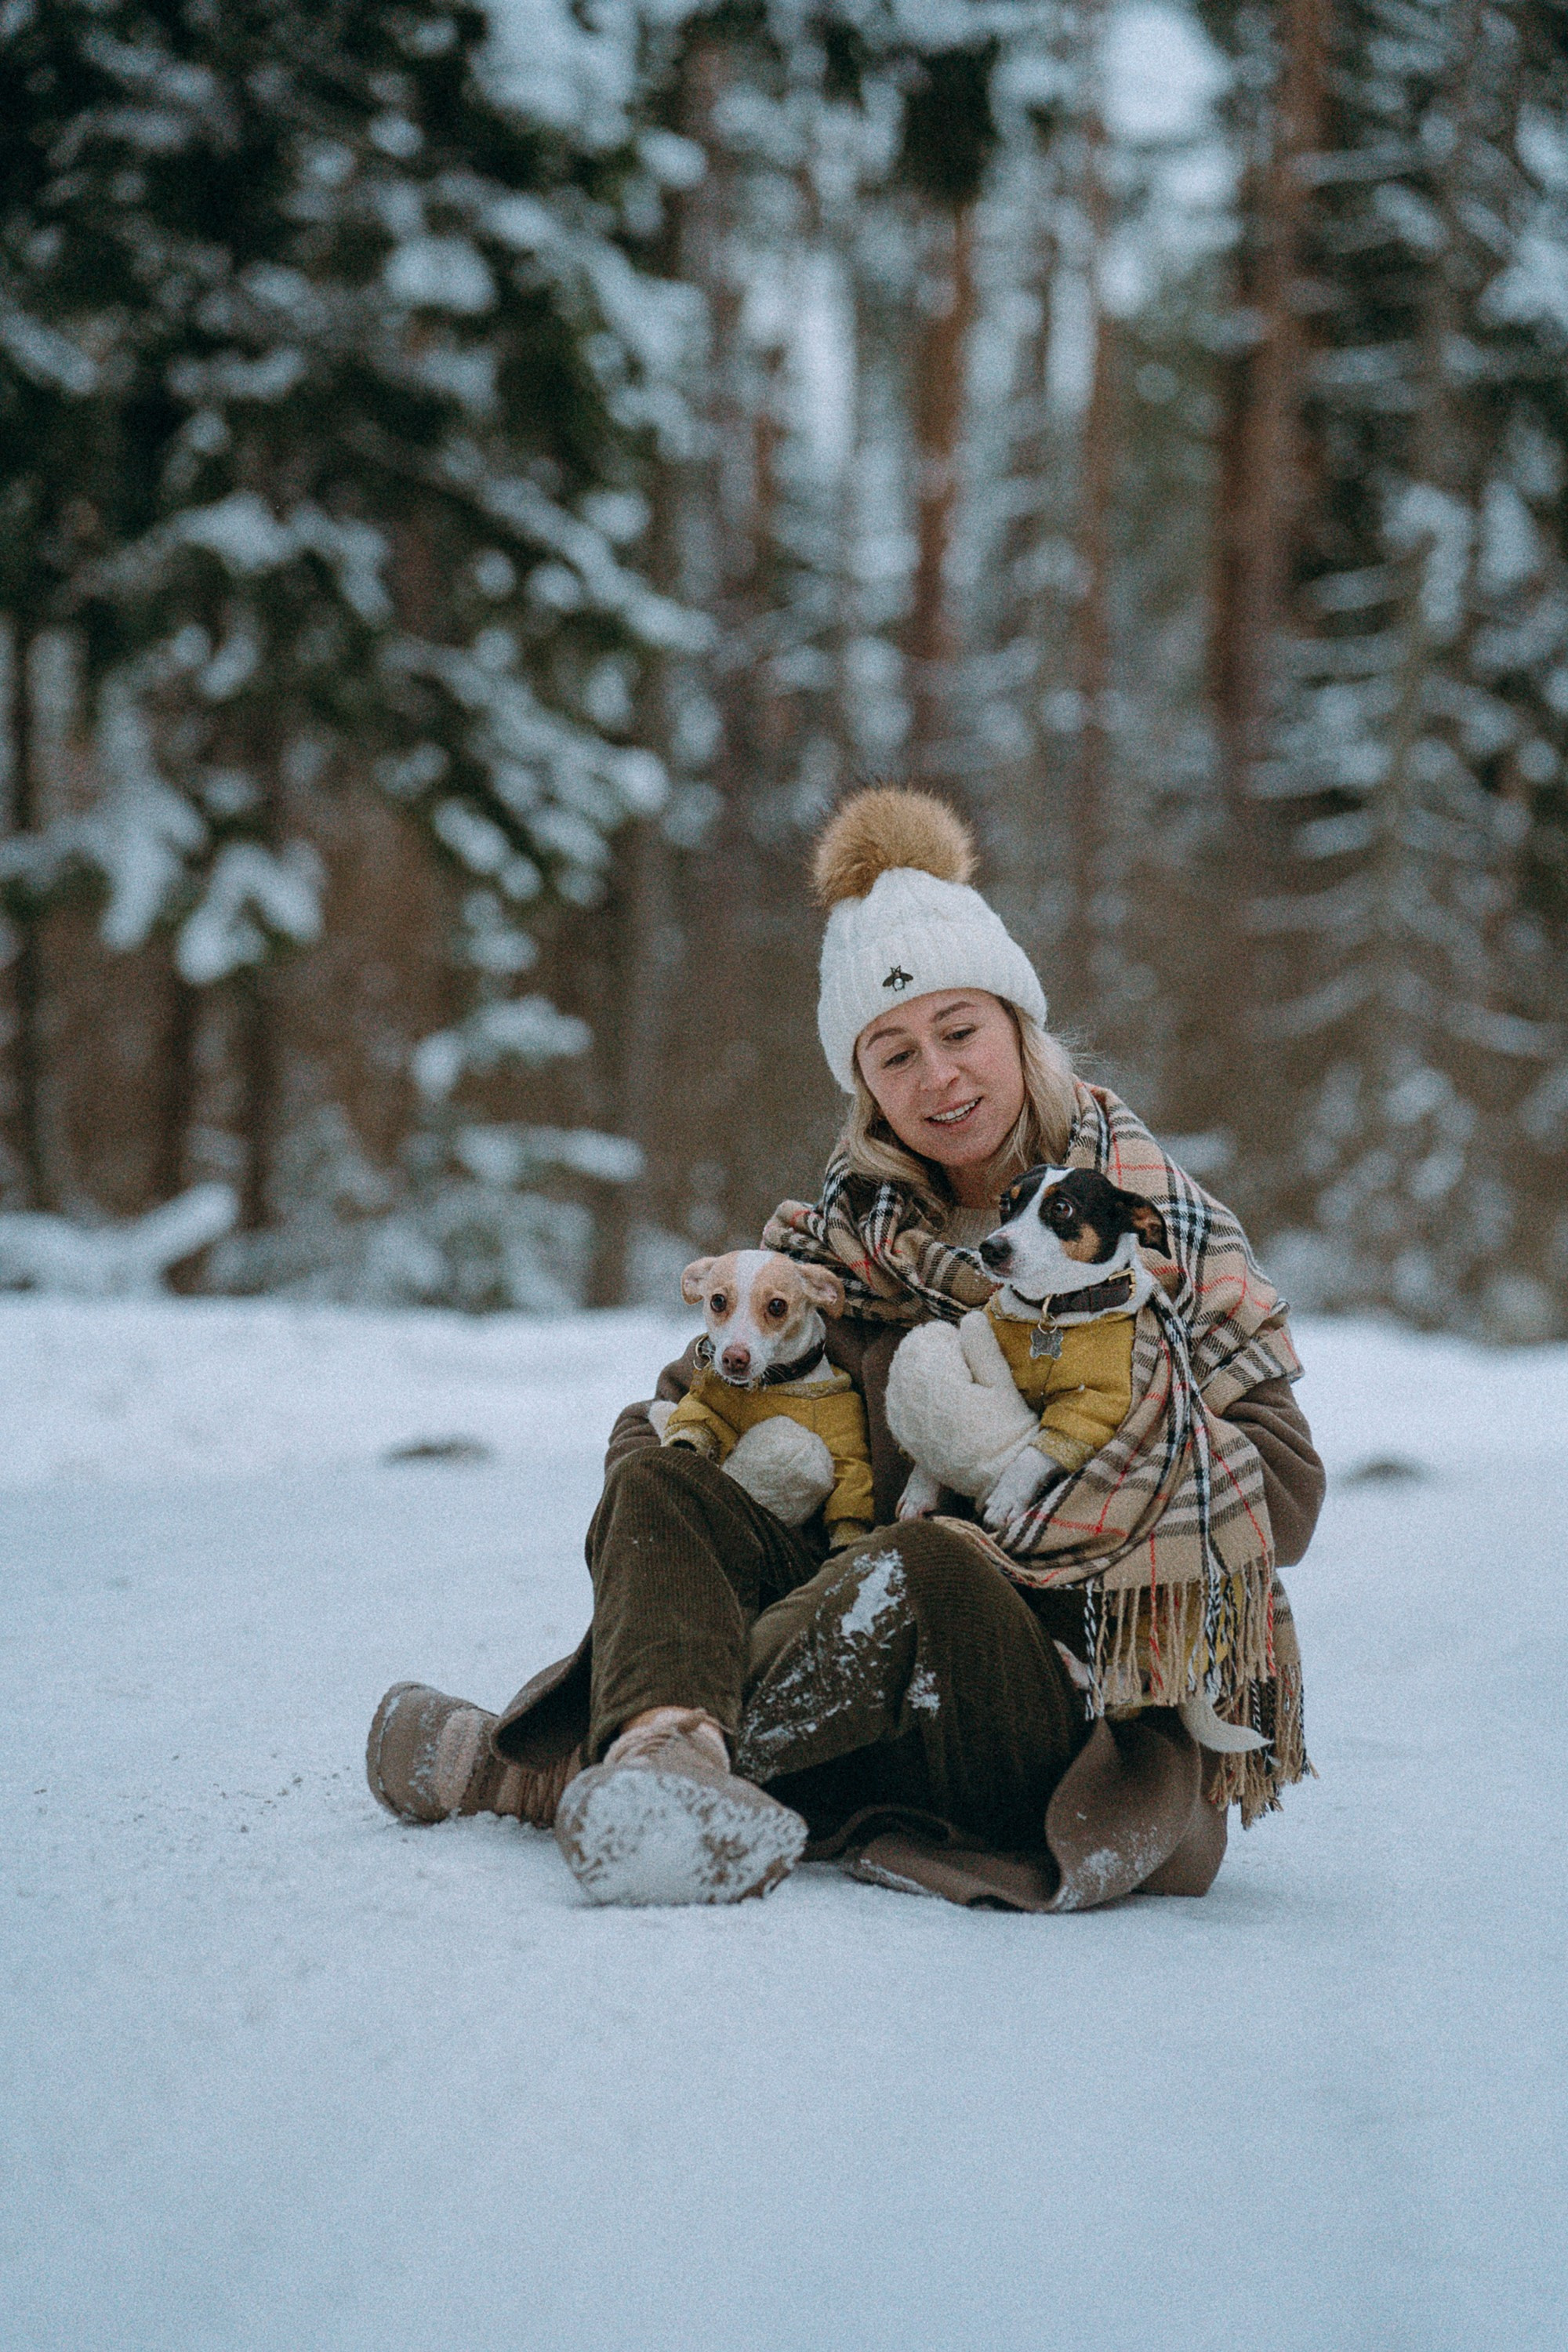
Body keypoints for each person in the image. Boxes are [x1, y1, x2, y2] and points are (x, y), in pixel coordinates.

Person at [366, 788, 1323, 1911]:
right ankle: (669, 1760)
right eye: (894, 1053)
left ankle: (525, 1771)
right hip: (858, 1641)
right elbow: (714, 1395)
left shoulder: (1151, 1223)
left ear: (1018, 1026)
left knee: (927, 1561)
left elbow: (1290, 1497)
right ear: (862, 1080)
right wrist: (675, 1438)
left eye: (960, 1033)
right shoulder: (843, 1240)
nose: (939, 1079)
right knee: (670, 1479)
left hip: (1060, 1693)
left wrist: (1054, 1470)